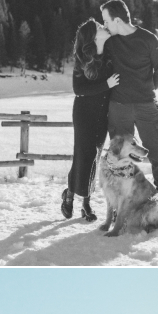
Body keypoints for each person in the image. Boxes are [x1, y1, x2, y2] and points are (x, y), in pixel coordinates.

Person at [99, 0, 158, 220]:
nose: (105, 25)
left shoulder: (148, 39)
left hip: (147, 106)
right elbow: (100, 68)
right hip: (118, 107)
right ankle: (120, 206)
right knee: (118, 158)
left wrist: (146, 91)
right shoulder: (110, 43)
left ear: (117, 20)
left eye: (107, 20)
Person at [61, 19, 119, 222]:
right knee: (82, 155)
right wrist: (106, 84)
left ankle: (84, 200)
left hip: (102, 115)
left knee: (94, 157)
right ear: (93, 36)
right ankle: (72, 196)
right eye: (100, 28)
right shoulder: (82, 58)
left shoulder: (109, 53)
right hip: (84, 114)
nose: (104, 28)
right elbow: (79, 89)